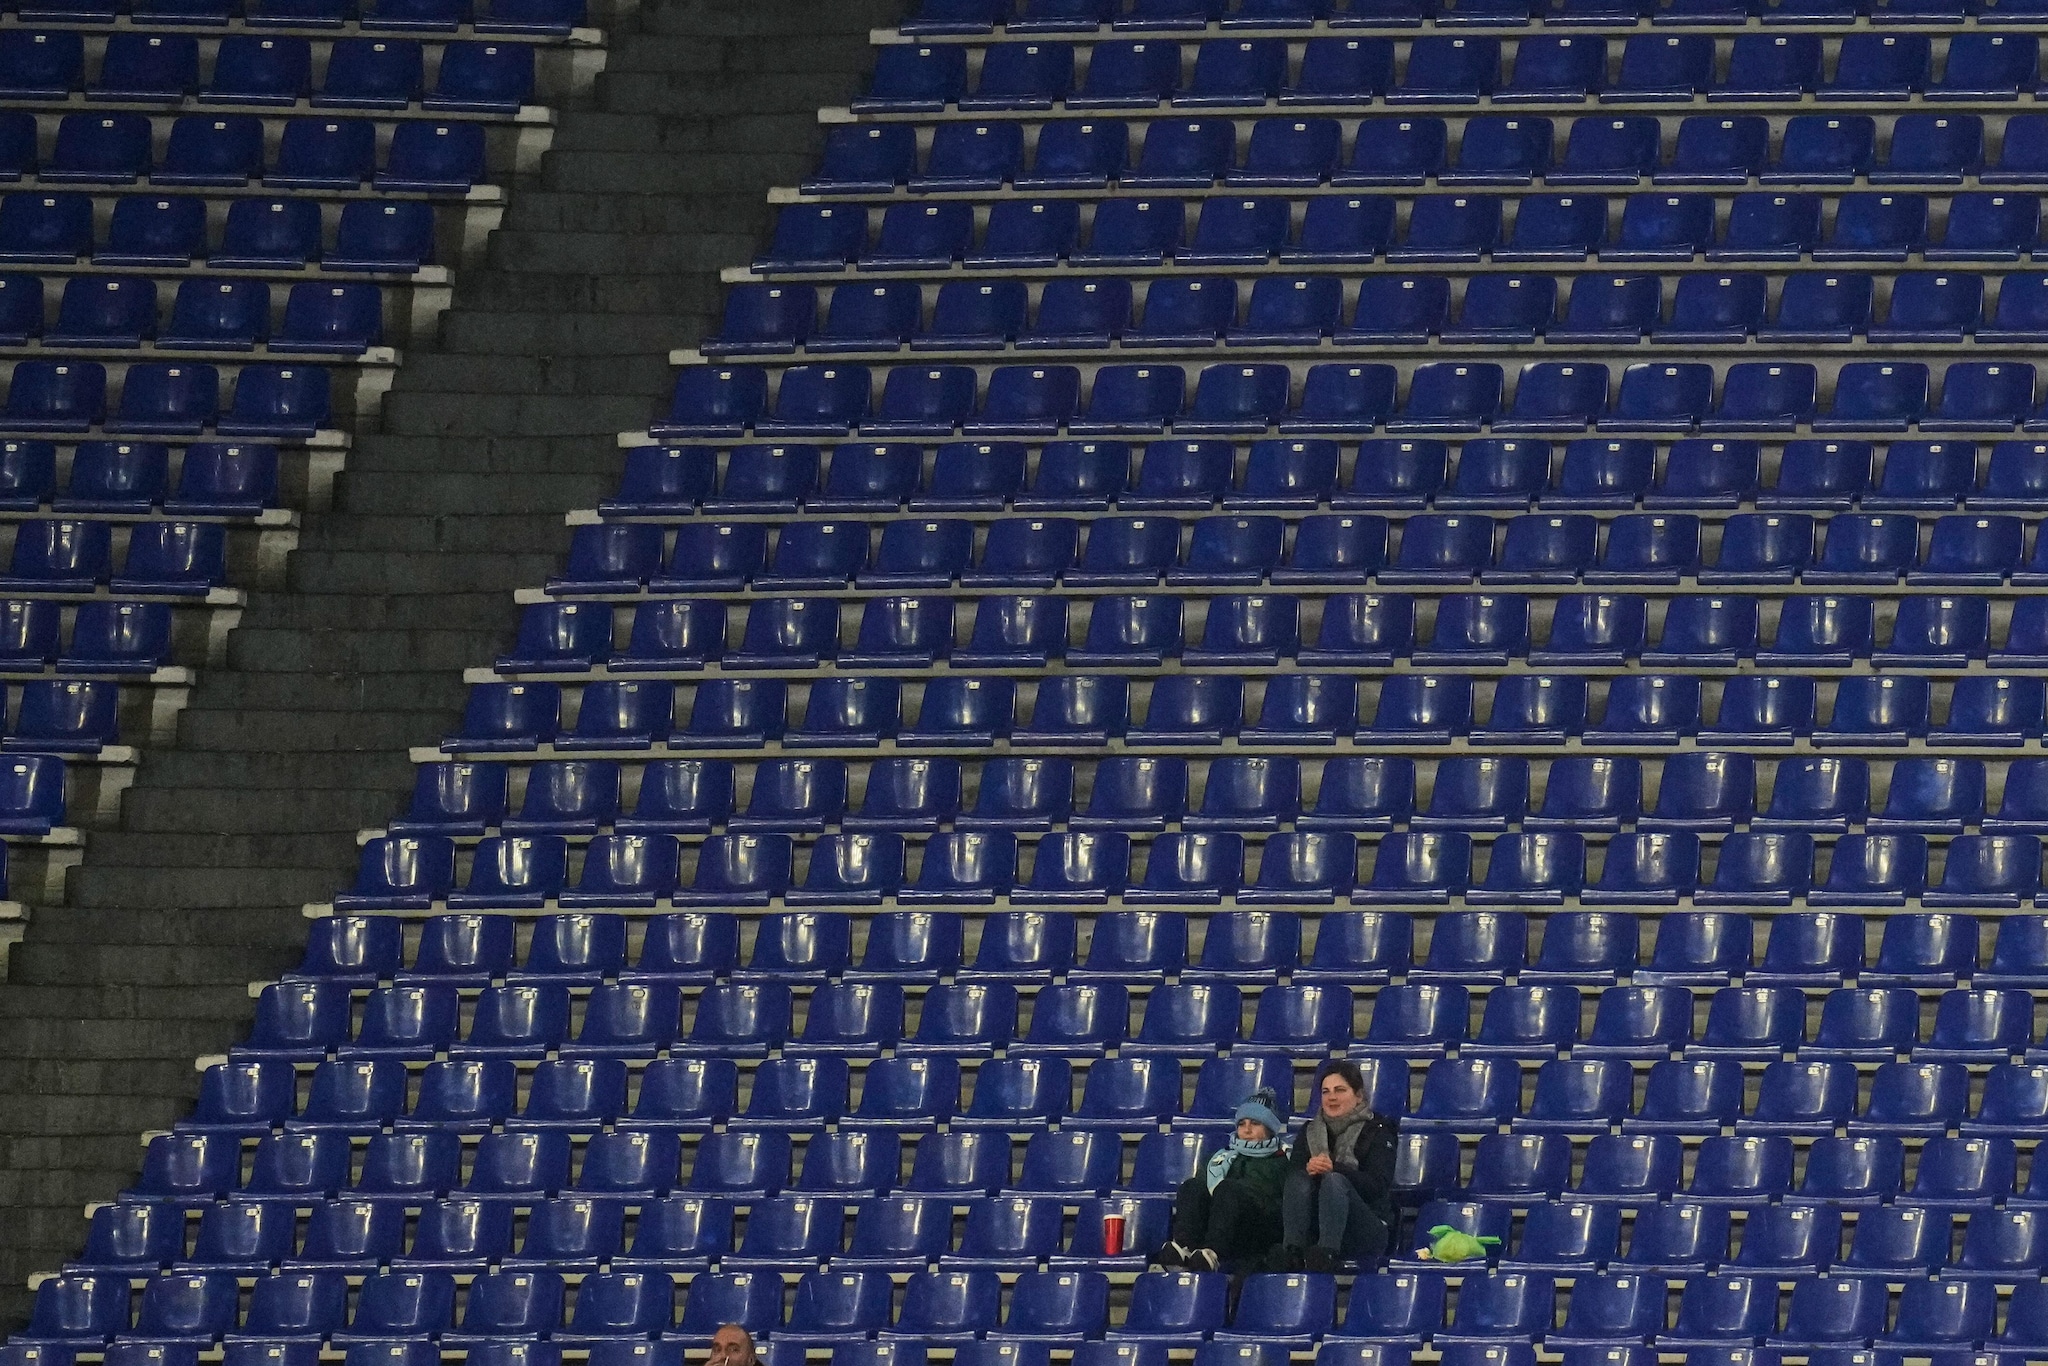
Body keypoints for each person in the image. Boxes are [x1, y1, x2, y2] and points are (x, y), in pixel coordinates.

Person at [1153, 1087, 1290, 1273]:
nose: (1247, 1129)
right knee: (1191, 1186)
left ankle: (1212, 1252)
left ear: (1269, 1128)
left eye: (1255, 1123)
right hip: (1220, 1222)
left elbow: (1280, 1208)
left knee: (1228, 1189)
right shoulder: (1218, 1158)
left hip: (1256, 1233)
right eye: (1242, 1124)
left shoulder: (1282, 1160)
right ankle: (1185, 1247)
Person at [1279, 1060, 1397, 1273]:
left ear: (1358, 1096)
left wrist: (1335, 1169)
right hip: (1317, 1226)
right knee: (1298, 1178)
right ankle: (1292, 1252)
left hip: (1367, 1227)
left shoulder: (1378, 1130)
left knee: (1334, 1180)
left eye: (1339, 1090)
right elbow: (1289, 1184)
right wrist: (1309, 1170)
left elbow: (1377, 1187)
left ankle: (1327, 1254)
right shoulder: (1309, 1131)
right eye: (1326, 1092)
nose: (1331, 1097)